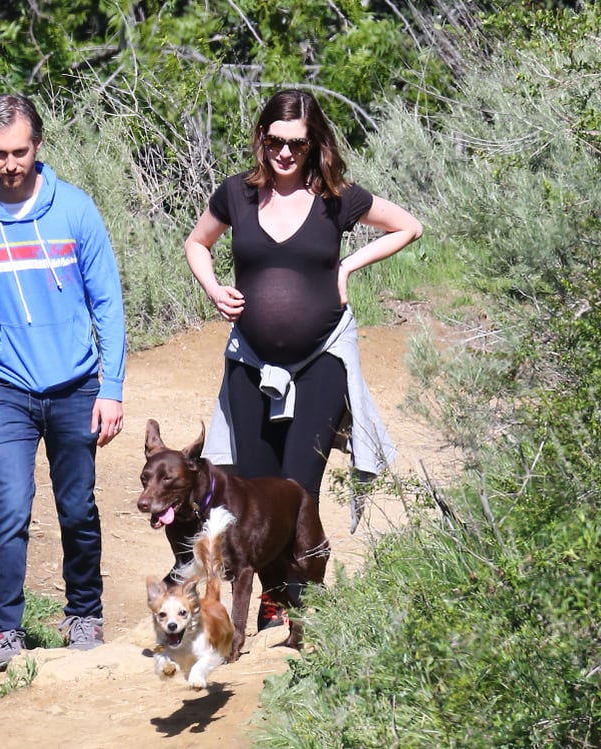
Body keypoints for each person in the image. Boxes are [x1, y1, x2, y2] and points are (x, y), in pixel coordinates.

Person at [184, 89, 422, 629]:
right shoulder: (236, 196)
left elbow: (408, 225)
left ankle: (306, 609)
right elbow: (197, 243)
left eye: (296, 143)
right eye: (274, 141)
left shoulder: (336, 198)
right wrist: (214, 288)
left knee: (298, 488)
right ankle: (274, 607)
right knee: (254, 487)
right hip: (249, 362)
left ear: (314, 143)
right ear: (261, 140)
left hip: (320, 361)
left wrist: (347, 267)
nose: (285, 153)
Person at [0, 93, 126, 672]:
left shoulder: (75, 211)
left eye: (20, 151)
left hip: (75, 387)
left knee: (76, 507)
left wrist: (112, 387)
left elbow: (109, 304)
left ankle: (84, 616)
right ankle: (4, 633)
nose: (10, 163)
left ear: (37, 146)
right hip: (5, 392)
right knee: (12, 509)